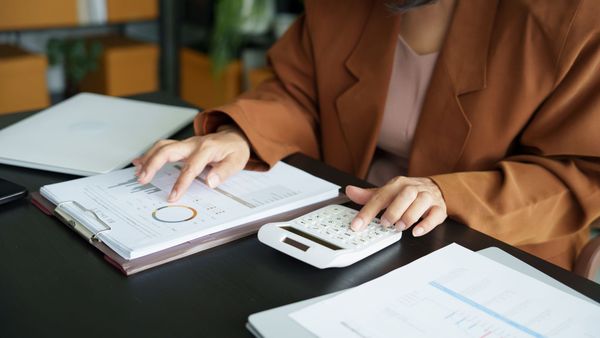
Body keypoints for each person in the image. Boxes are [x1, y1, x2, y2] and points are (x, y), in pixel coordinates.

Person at [134, 0, 600, 270]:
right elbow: (301, 91)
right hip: (346, 229)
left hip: (493, 249)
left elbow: (581, 170)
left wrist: (446, 192)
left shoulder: (573, 17)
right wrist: (244, 135)